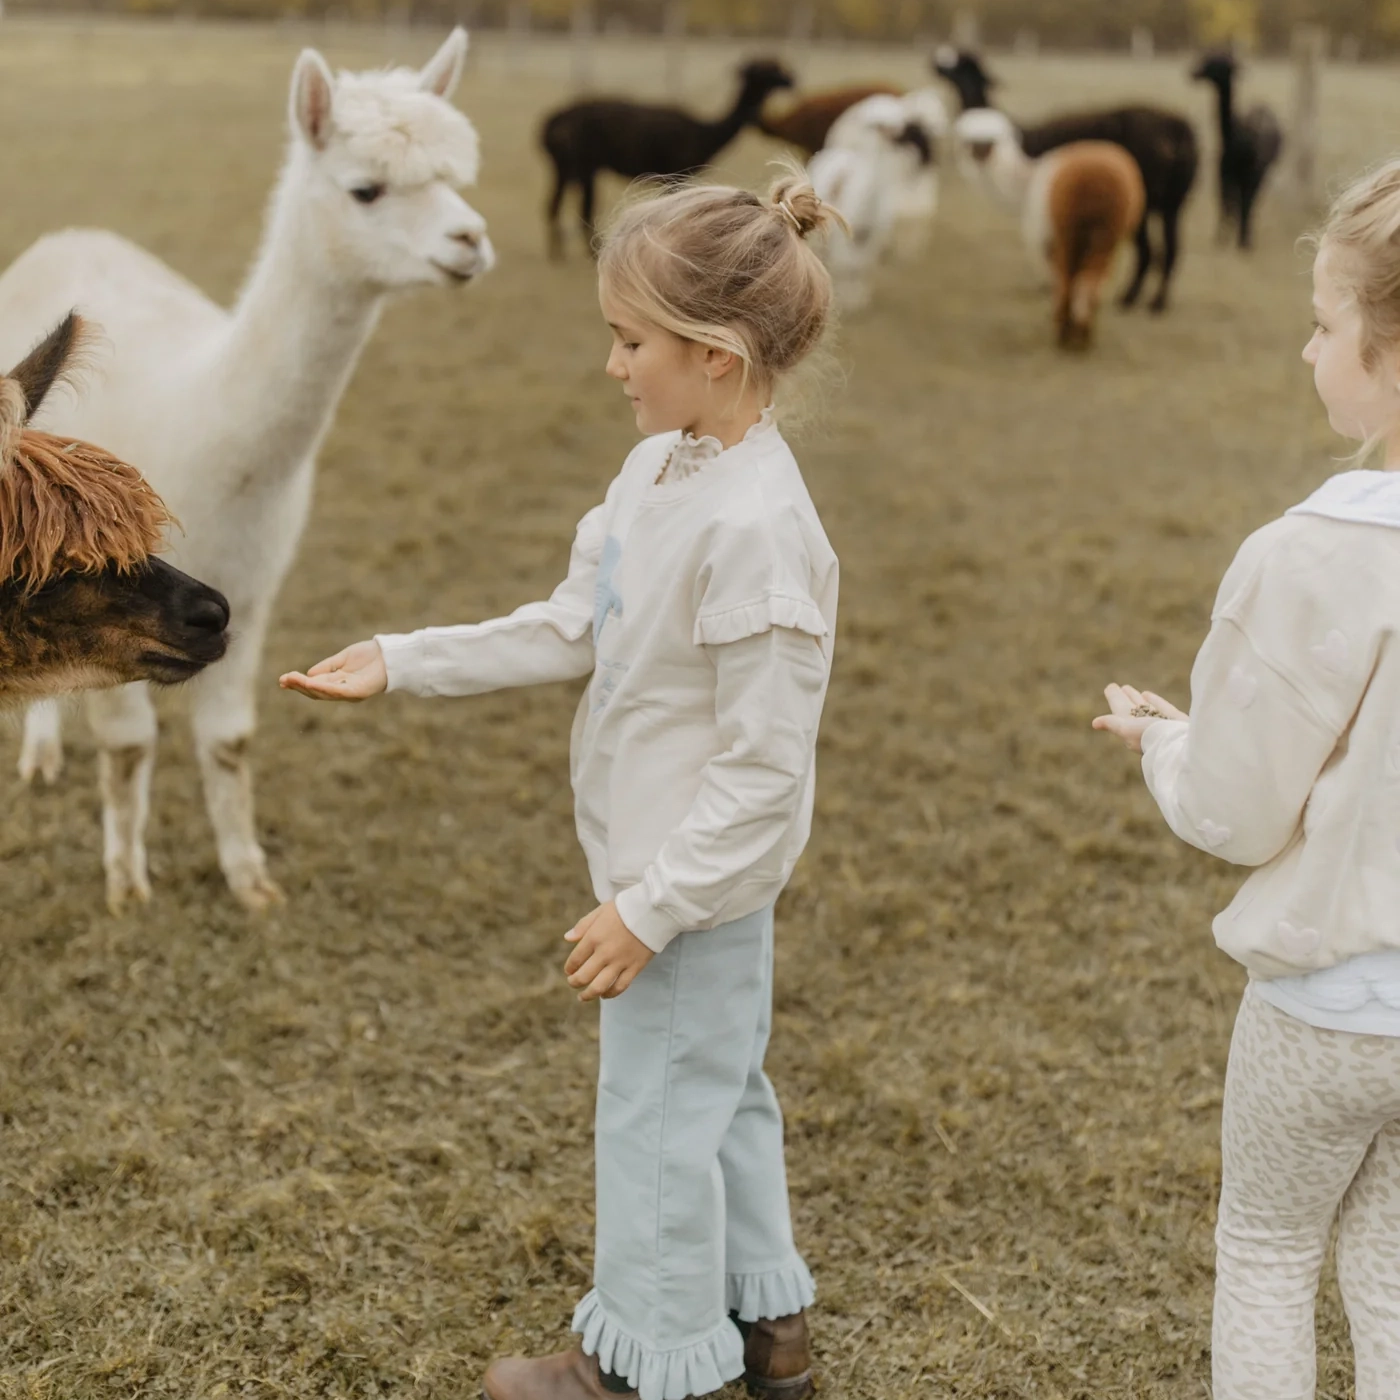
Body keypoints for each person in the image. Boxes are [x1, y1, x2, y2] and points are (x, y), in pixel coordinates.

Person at [280, 175, 841, 1400]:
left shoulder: (756, 528)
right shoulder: (661, 471)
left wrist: (649, 907)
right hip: (665, 877)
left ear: (715, 353)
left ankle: (639, 1362)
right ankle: (767, 1327)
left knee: (652, 1116)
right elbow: (568, 623)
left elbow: (760, 766)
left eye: (629, 340)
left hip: (683, 889)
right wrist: (405, 660)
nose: (610, 365)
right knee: (720, 1092)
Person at [1092, 159, 1400, 1400]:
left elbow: (1233, 806)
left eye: (1324, 325)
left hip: (1328, 1005)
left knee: (1267, 1248)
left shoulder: (1309, 555)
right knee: (1388, 1257)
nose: (1305, 351)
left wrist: (1168, 740)